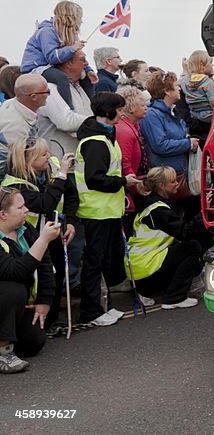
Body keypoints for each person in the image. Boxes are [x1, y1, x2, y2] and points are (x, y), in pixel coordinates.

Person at [75, 92, 143, 327]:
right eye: (119, 109)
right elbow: (95, 179)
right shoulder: (95, 141)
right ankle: (91, 312)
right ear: (107, 112)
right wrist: (124, 182)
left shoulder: (104, 135)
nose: (122, 113)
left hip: (108, 209)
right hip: (96, 210)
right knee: (94, 262)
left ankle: (104, 306)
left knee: (103, 261)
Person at [1, 137, 78, 332]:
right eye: (43, 154)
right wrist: (61, 175)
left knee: (56, 274)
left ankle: (49, 321)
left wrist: (69, 221)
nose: (49, 156)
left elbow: (70, 194)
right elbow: (45, 204)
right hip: (27, 237)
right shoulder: (16, 184)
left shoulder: (51, 166)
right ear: (28, 160)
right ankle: (31, 322)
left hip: (53, 231)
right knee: (34, 276)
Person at [125, 167, 205, 309]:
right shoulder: (158, 210)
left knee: (186, 249)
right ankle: (175, 298)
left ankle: (146, 291)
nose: (177, 184)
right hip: (145, 268)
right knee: (193, 247)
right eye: (172, 181)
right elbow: (185, 231)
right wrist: (203, 211)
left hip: (139, 268)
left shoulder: (150, 203)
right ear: (161, 186)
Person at [0, 186, 59, 373]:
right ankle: (3, 352)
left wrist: (44, 301)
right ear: (3, 214)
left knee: (34, 341)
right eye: (20, 207)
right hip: (7, 295)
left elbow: (45, 266)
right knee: (13, 288)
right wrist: (43, 240)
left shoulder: (26, 229)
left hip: (17, 305)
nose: (26, 210)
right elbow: (16, 271)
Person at [20, 0, 97, 103]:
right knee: (62, 78)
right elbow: (52, 57)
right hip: (37, 67)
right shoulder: (46, 32)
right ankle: (68, 108)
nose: (81, 21)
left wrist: (88, 70)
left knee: (85, 77)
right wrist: (72, 48)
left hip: (53, 66)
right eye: (79, 17)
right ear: (70, 18)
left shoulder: (71, 35)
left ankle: (92, 108)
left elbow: (77, 56)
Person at [139, 72, 198, 188]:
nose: (179, 88)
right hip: (165, 180)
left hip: (179, 174)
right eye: (176, 86)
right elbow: (160, 145)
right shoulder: (151, 115)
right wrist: (188, 144)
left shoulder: (171, 112)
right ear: (166, 91)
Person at [35, 51, 92, 157]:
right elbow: (66, 122)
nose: (86, 63)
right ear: (68, 63)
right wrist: (98, 121)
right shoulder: (49, 89)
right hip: (58, 165)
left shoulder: (79, 87)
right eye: (82, 59)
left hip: (78, 162)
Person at [115, 85, 150, 217]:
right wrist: (137, 188)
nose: (146, 107)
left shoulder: (133, 126)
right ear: (130, 108)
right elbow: (125, 163)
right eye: (142, 105)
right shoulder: (124, 130)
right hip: (128, 189)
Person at [0, 74, 50, 146]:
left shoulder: (12, 104)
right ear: (34, 97)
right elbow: (14, 156)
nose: (48, 95)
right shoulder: (15, 127)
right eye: (47, 92)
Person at [182, 50, 214, 145]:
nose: (212, 65)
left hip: (194, 114)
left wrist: (184, 69)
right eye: (210, 63)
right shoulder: (207, 82)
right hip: (208, 116)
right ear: (202, 66)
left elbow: (180, 80)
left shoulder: (185, 81)